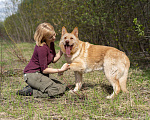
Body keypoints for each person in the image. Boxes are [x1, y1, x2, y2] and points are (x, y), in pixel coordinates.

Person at [16, 23, 70, 98]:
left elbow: (53, 59)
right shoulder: (42, 48)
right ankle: (32, 91)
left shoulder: (51, 43)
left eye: (54, 34)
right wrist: (60, 70)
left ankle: (35, 87)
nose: (54, 38)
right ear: (44, 37)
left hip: (40, 73)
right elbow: (44, 70)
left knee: (62, 86)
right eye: (51, 37)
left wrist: (62, 50)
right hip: (32, 74)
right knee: (57, 91)